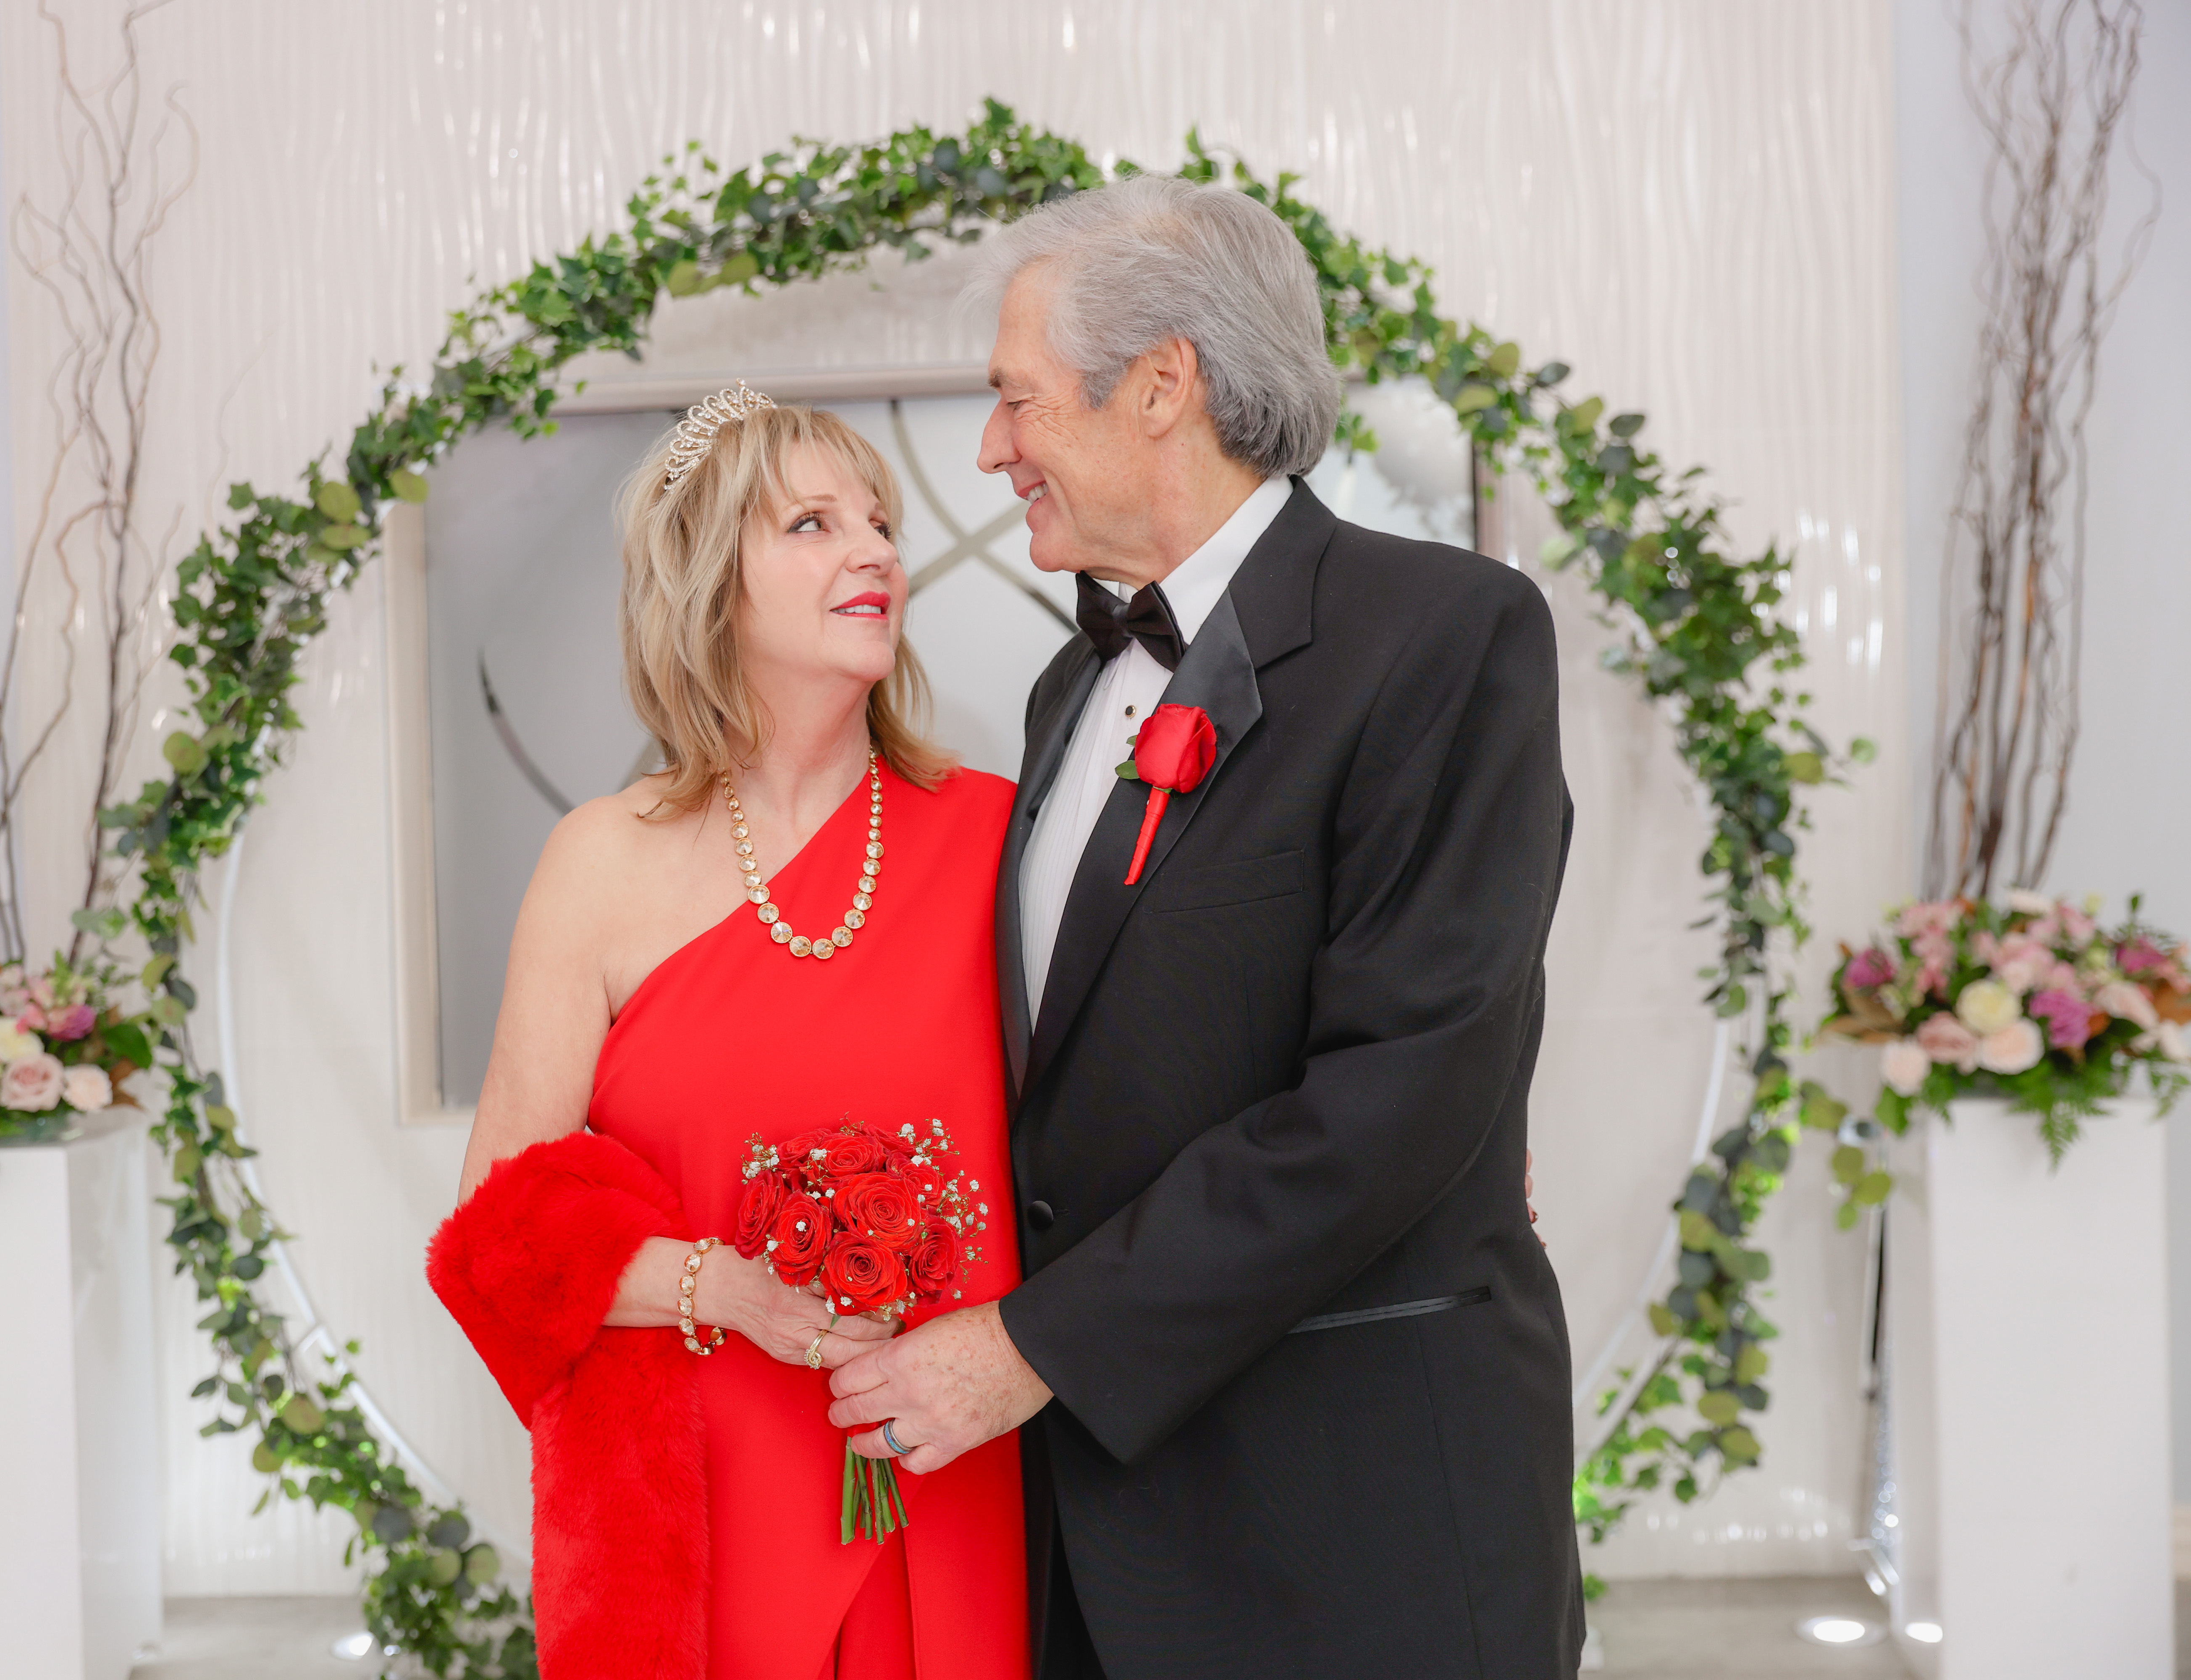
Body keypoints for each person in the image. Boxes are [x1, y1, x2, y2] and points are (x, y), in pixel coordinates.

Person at [823, 176, 1585, 1677]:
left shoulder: (1448, 635)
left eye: (1017, 401)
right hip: (1098, 1533)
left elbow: (1394, 1099)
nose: (992, 450)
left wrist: (1032, 1346)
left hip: (1353, 1520)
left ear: (1164, 383)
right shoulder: (1069, 691)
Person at [427, 389, 1029, 1680]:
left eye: (880, 522)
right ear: (710, 584)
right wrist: (730, 1292)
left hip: (962, 1479)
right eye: (813, 524)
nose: (873, 550)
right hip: (709, 1512)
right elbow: (497, 1239)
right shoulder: (598, 863)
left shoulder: (999, 839)